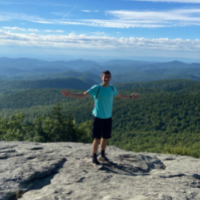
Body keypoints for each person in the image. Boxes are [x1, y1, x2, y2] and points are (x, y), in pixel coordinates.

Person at [61, 70, 139, 169]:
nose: (106, 79)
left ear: (110, 78)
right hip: (98, 117)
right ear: (101, 78)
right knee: (97, 138)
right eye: (105, 77)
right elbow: (84, 95)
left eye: (108, 77)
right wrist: (70, 94)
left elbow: (119, 96)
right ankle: (94, 158)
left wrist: (130, 97)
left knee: (105, 137)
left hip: (108, 117)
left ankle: (102, 155)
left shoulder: (112, 88)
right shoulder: (96, 88)